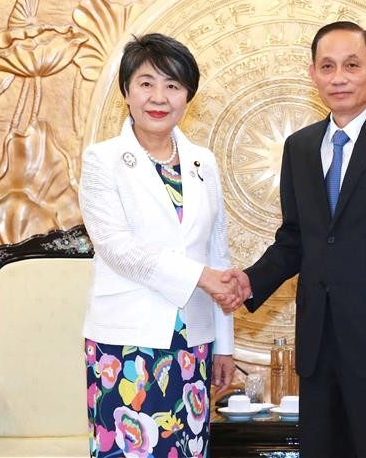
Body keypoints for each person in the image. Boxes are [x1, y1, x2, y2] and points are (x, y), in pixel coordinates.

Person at [223, 22, 366, 458]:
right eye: (327, 66)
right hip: (317, 340)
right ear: (312, 74)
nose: (339, 77)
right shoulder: (300, 147)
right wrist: (250, 281)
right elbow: (295, 239)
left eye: (352, 65)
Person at [79, 33, 241, 457]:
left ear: (188, 95)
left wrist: (223, 344)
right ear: (127, 91)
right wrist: (200, 277)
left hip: (194, 341)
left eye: (173, 85)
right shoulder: (103, 160)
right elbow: (117, 248)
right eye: (146, 83)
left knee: (189, 448)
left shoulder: (203, 161)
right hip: (126, 343)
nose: (159, 97)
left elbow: (217, 253)